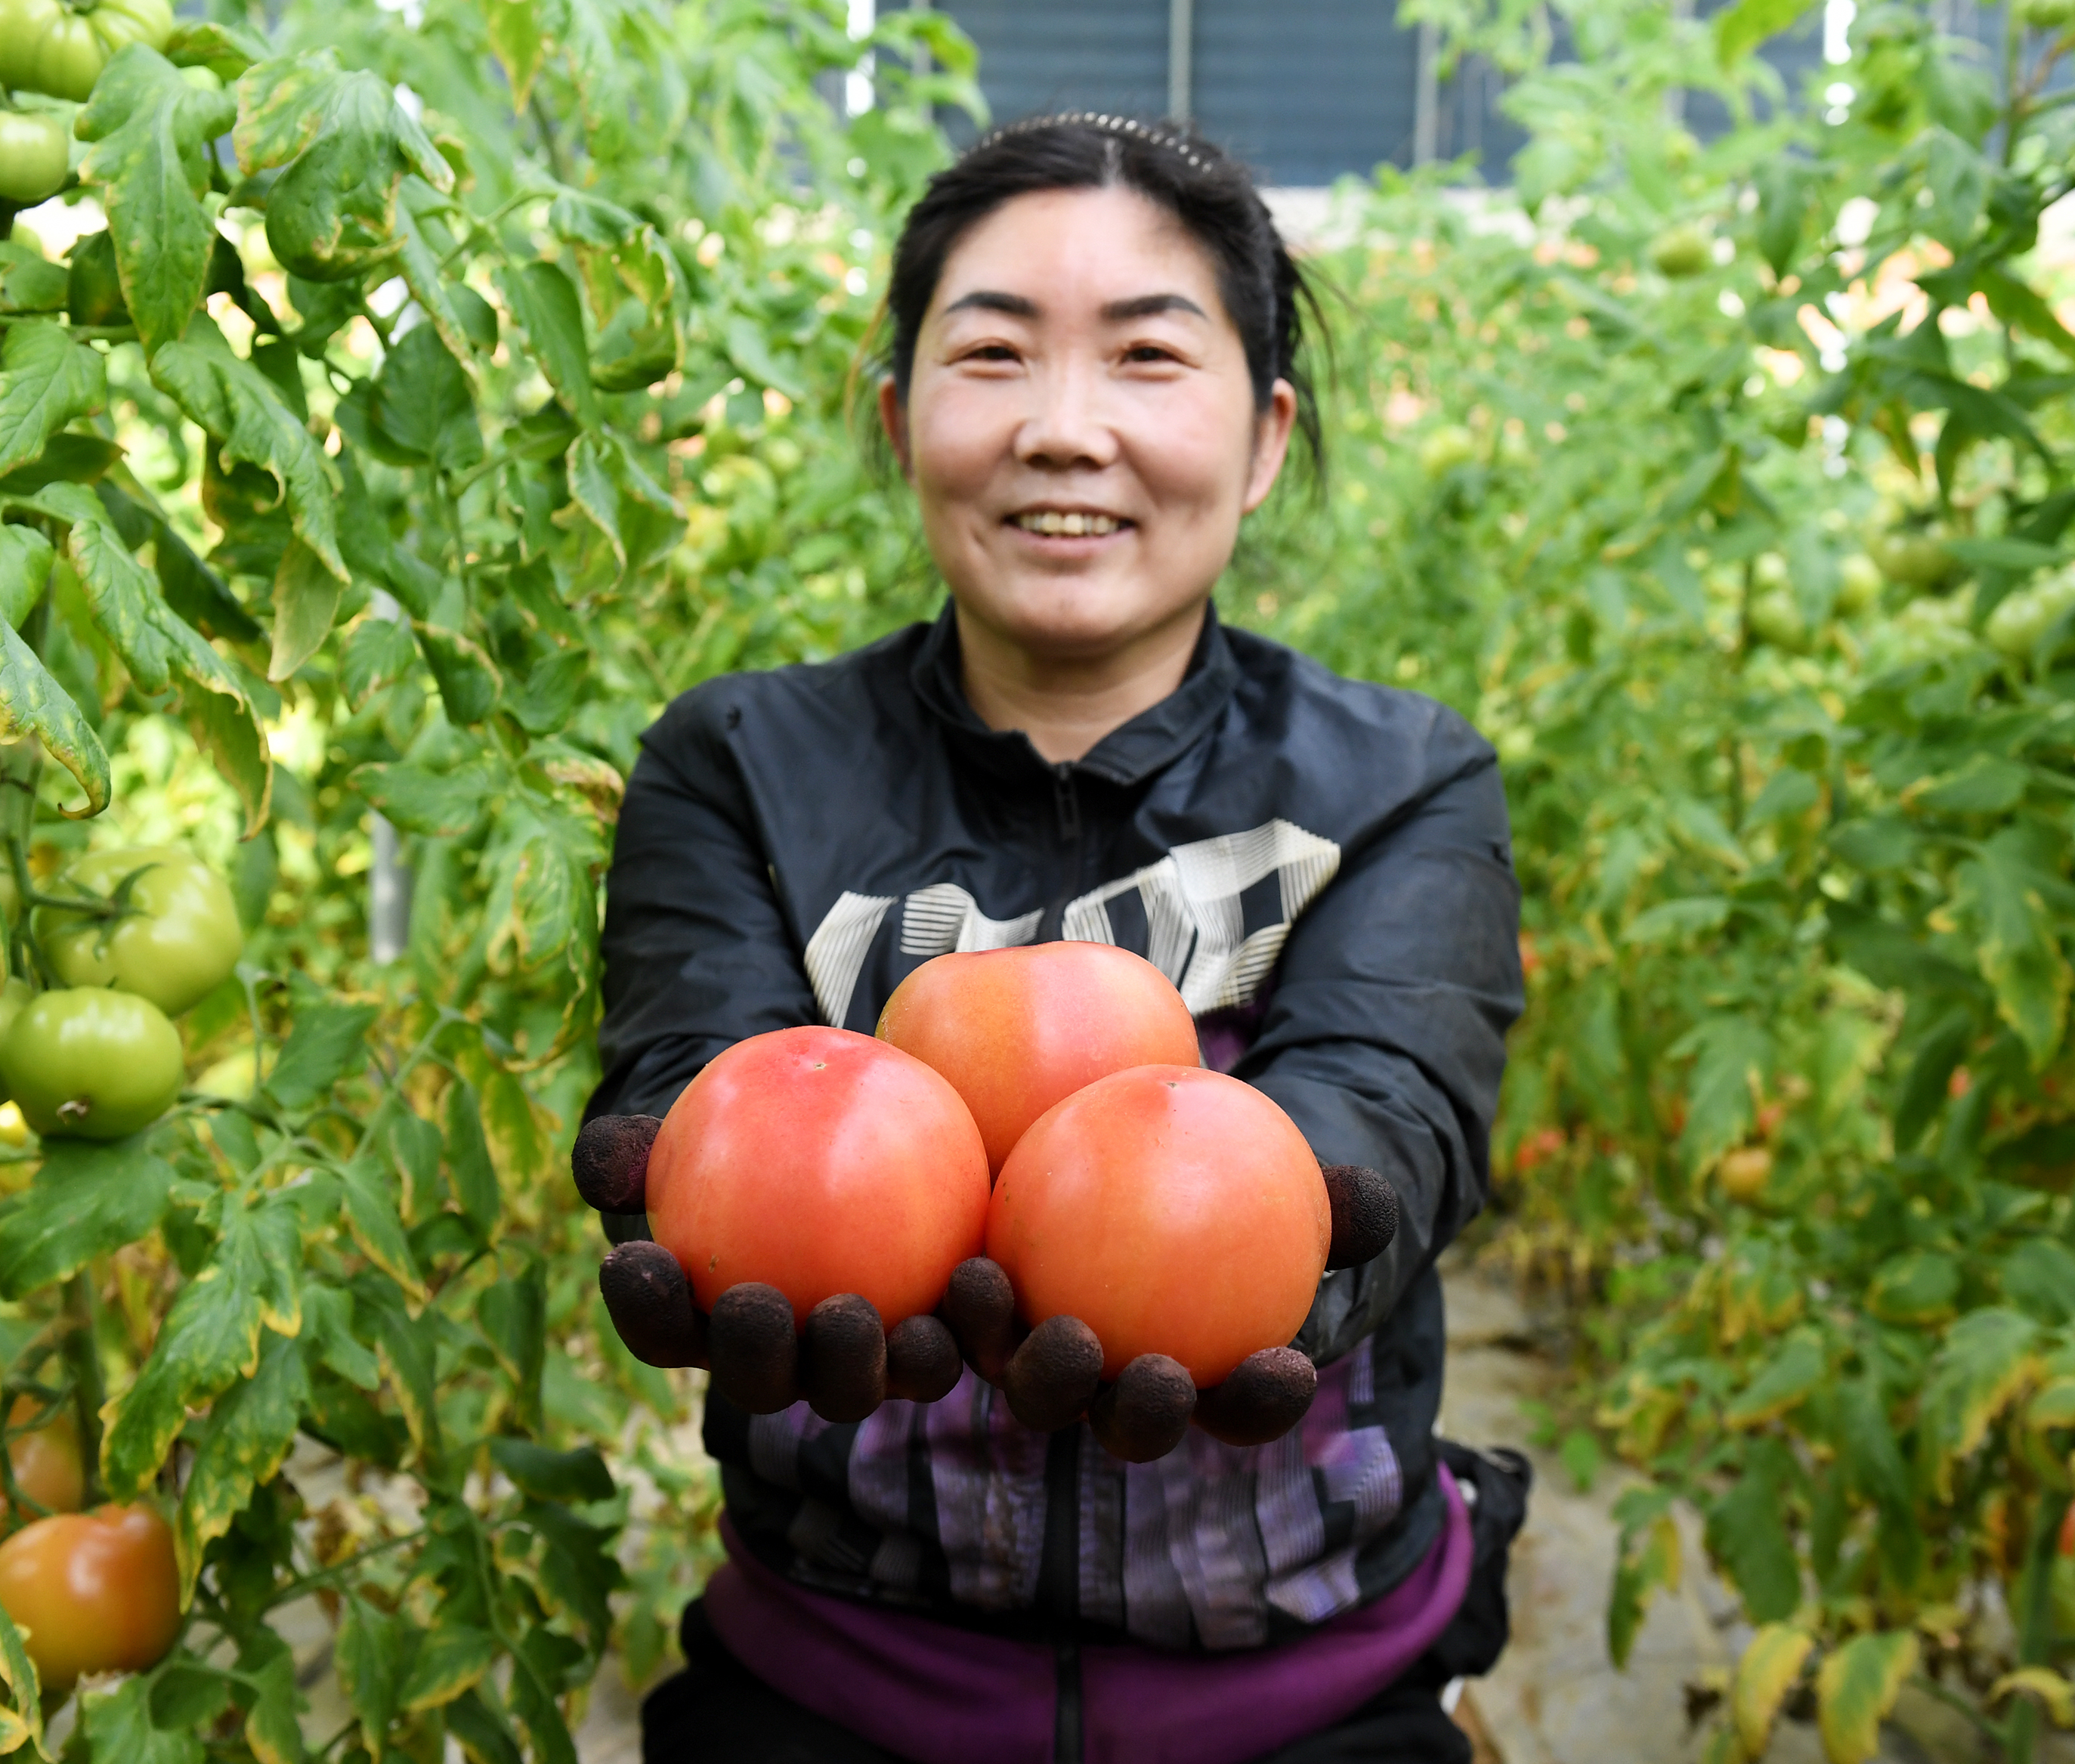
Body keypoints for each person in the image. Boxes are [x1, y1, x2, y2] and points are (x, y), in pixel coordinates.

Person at [590, 112, 1526, 1764]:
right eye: (992, 354)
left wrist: (1263, 1265)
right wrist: (722, 1172)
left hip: (1312, 1694)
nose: (1064, 430)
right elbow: (705, 1092)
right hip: (830, 1676)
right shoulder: (741, 762)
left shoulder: (1395, 779)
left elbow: (1390, 1111)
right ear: (899, 423)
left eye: (1149, 358)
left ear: (1260, 438)